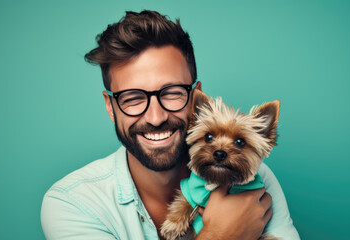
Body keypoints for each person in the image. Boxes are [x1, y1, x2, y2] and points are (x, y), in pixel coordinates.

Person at [41, 10, 300, 240]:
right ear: (110, 106)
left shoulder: (258, 177)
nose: (155, 117)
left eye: (172, 93)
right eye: (132, 98)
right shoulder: (72, 203)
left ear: (195, 99)